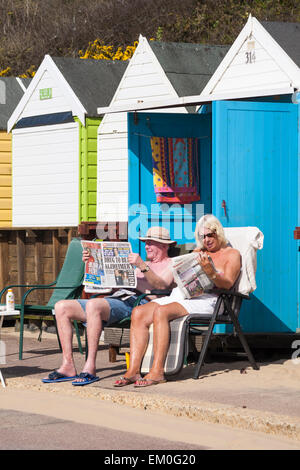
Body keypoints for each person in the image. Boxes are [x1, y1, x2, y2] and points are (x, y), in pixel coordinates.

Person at [116, 214, 241, 388]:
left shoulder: (232, 254)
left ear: (218, 233)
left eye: (209, 235)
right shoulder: (198, 252)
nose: (206, 240)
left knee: (162, 311)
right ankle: (134, 370)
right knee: (138, 312)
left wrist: (210, 272)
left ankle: (158, 371)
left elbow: (227, 284)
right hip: (185, 294)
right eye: (202, 236)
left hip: (211, 300)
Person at [42, 226, 176, 386]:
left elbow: (160, 287)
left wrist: (142, 268)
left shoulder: (171, 264)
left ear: (164, 246)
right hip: (118, 298)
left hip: (140, 304)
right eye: (145, 242)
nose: (146, 246)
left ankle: (90, 366)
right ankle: (68, 365)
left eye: (151, 243)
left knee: (93, 305)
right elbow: (113, 286)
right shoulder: (143, 263)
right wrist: (93, 264)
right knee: (61, 307)